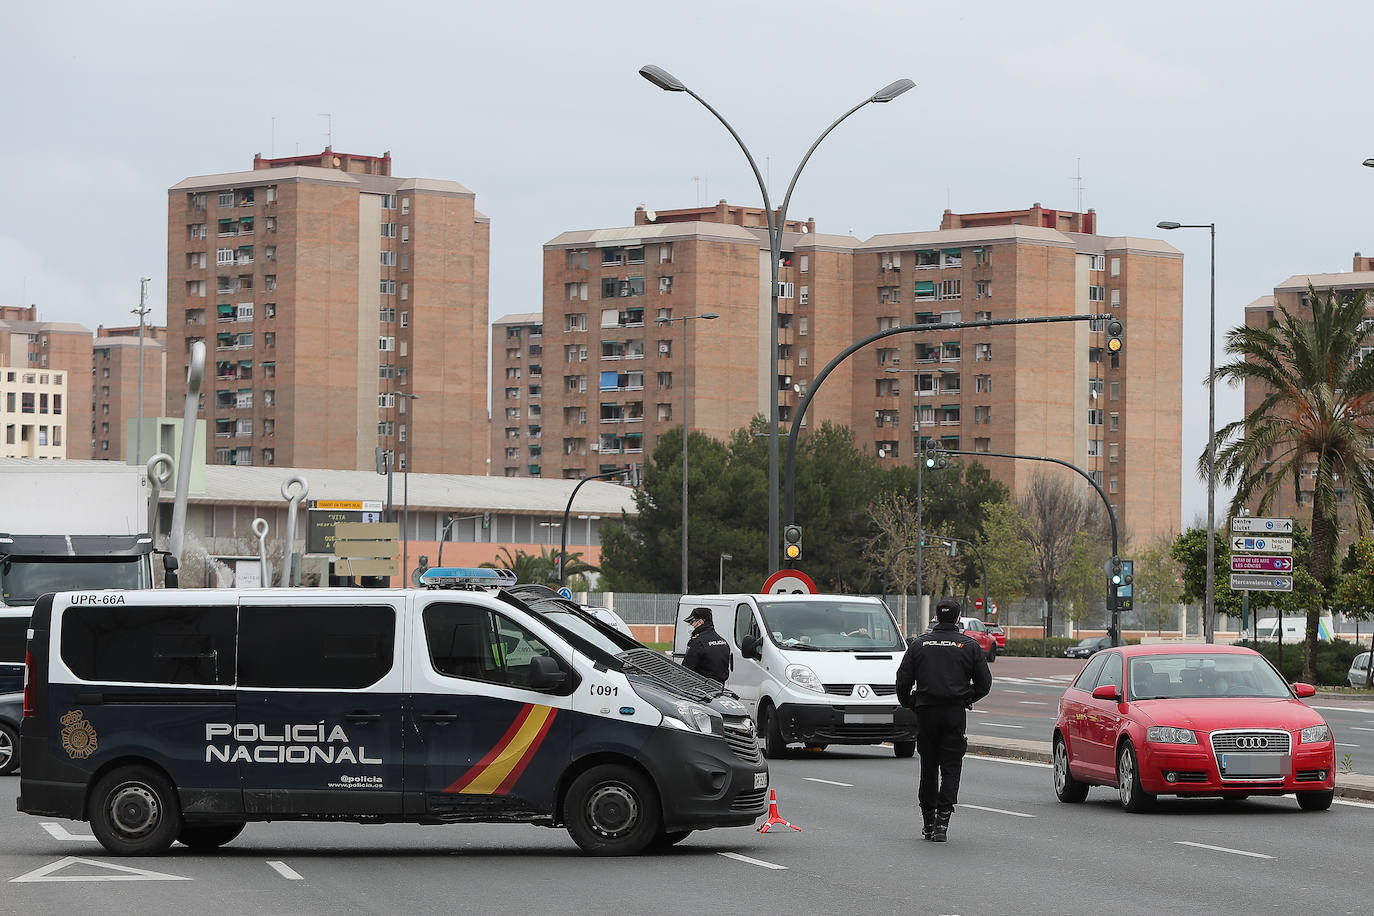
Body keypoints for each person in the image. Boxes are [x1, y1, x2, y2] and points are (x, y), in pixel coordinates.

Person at [895, 597, 992, 842]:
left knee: (928, 768)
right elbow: (985, 684)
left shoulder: (919, 645)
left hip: (926, 712)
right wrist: (966, 696)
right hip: (953, 713)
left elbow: (902, 679)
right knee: (951, 767)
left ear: (937, 617)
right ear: (958, 619)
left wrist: (910, 702)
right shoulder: (969, 646)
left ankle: (927, 821)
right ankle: (942, 823)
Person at [682, 607, 731, 683]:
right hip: (719, 688)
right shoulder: (723, 642)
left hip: (701, 689)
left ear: (700, 622)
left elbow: (686, 670)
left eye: (692, 622)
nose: (691, 625)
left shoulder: (697, 642)